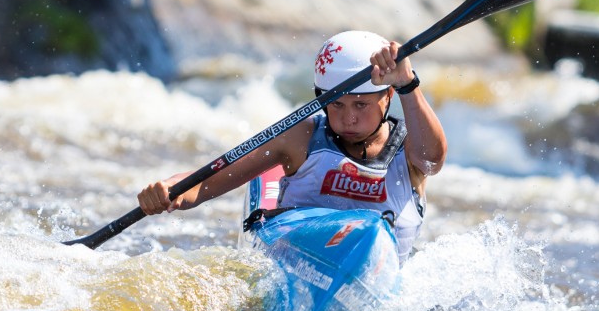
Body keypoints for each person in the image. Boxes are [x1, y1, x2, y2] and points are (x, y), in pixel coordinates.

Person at [137, 30, 448, 262]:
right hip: (298, 260)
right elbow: (210, 179)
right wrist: (169, 190)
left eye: (360, 105)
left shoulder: (410, 144)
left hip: (378, 271)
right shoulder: (300, 137)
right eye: (336, 105)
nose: (348, 118)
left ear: (388, 97)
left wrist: (407, 84)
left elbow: (432, 162)